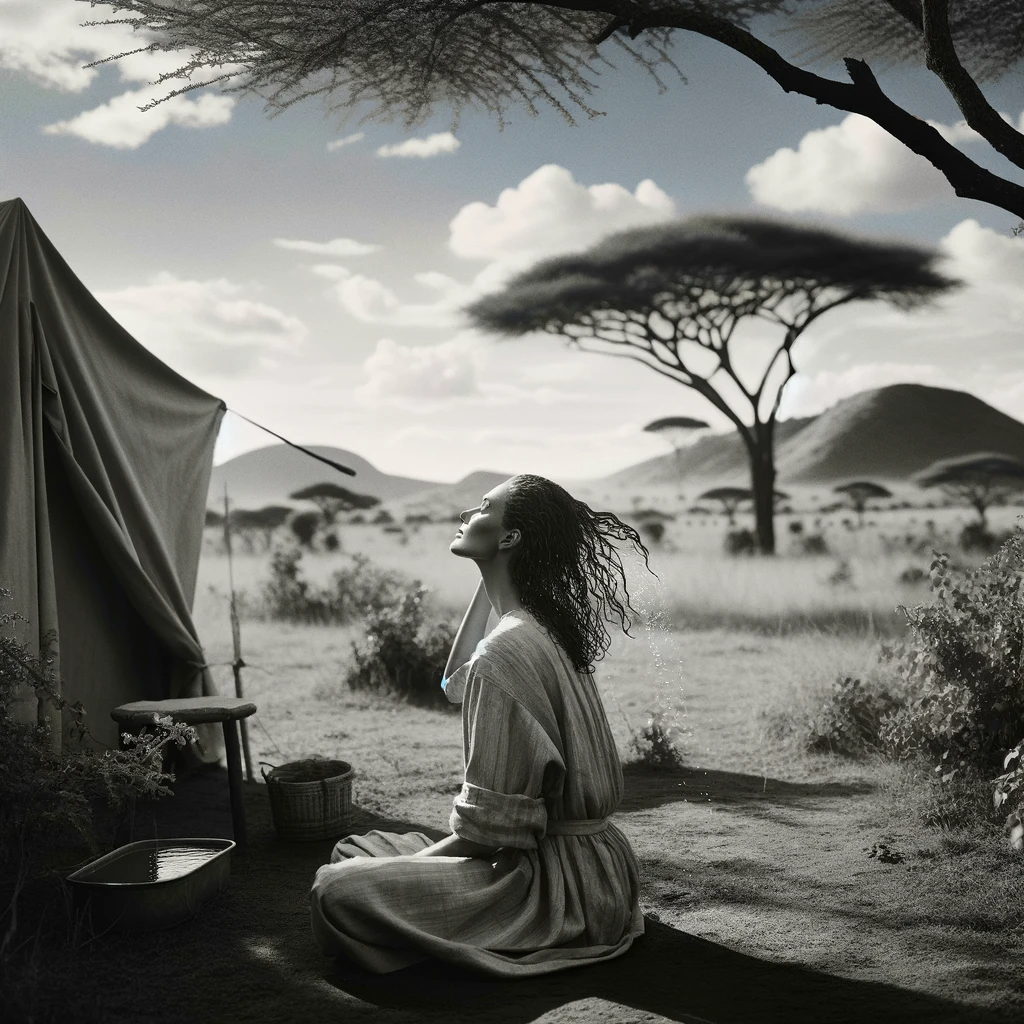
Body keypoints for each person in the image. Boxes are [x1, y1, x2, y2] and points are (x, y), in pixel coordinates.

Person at [309, 473, 656, 976]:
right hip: (606, 872)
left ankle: (437, 929)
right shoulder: (540, 625)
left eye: (481, 509)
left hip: (555, 887)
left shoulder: (506, 651)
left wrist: (390, 873)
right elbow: (455, 681)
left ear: (510, 537)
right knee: (356, 850)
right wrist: (491, 574)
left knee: (334, 888)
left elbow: (486, 835)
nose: (465, 516)